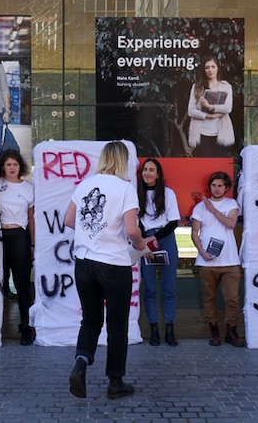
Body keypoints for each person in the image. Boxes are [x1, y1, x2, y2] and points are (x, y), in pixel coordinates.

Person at [64, 141, 147, 400]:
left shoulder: (85, 185)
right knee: (117, 325)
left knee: (90, 320)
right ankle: (115, 381)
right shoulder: (125, 188)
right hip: (114, 264)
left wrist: (92, 236)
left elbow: (68, 220)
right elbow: (132, 230)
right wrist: (141, 245)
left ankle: (80, 363)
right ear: (123, 161)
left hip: (84, 263)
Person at [190, 171, 243, 347]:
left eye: (220, 186)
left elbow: (231, 223)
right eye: (214, 185)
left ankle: (231, 331)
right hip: (207, 261)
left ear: (226, 187)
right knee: (209, 298)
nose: (217, 189)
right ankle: (214, 333)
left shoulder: (231, 203)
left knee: (232, 299)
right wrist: (202, 252)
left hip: (230, 261)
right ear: (210, 186)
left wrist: (213, 209)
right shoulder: (199, 207)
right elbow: (194, 233)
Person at [137, 158, 181, 347]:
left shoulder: (168, 193)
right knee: (149, 289)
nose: (147, 173)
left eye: (151, 170)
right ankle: (154, 329)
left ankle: (169, 329)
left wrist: (153, 240)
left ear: (158, 173)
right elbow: (135, 221)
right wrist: (144, 243)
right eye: (145, 169)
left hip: (165, 239)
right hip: (145, 239)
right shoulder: (135, 193)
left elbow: (173, 222)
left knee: (169, 288)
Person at [0, 149, 36, 346]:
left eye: (14, 164)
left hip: (20, 235)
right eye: (8, 164)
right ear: (3, 167)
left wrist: (32, 243)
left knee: (22, 285)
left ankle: (25, 327)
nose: (12, 168)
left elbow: (31, 218)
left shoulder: (28, 188)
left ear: (20, 166)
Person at [187, 55, 234, 157]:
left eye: (213, 67)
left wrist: (209, 106)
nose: (210, 70)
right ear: (203, 70)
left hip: (220, 132)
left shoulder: (226, 87)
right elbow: (191, 111)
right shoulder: (197, 87)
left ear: (218, 68)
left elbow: (228, 108)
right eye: (207, 67)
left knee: (219, 165)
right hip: (201, 132)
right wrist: (210, 116)